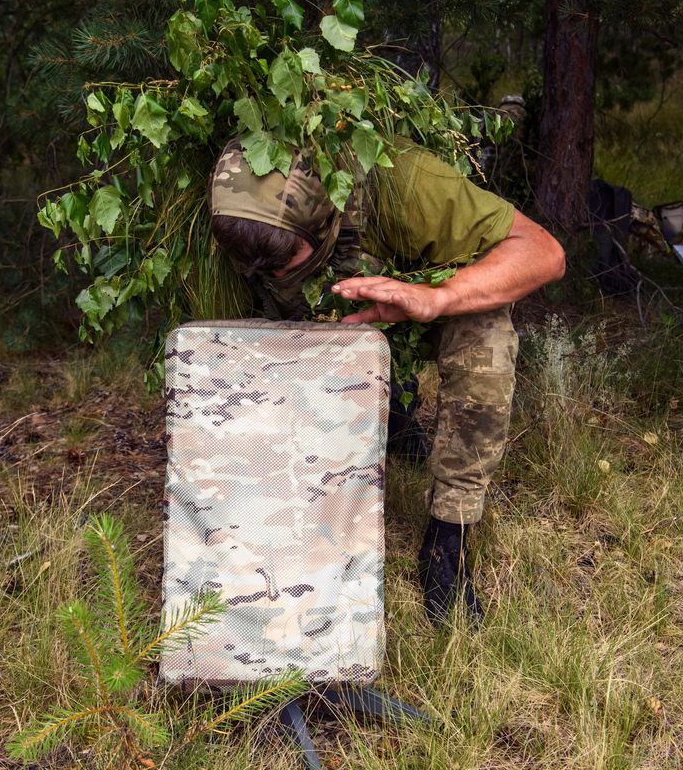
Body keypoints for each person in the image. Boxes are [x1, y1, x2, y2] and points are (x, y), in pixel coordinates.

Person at [207, 137, 565, 626]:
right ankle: (389, 414)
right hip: (319, 329)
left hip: (423, 298)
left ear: (325, 216)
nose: (265, 272)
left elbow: (542, 252)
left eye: (283, 260)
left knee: (485, 335)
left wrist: (439, 298)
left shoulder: (403, 180)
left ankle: (447, 541)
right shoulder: (237, 210)